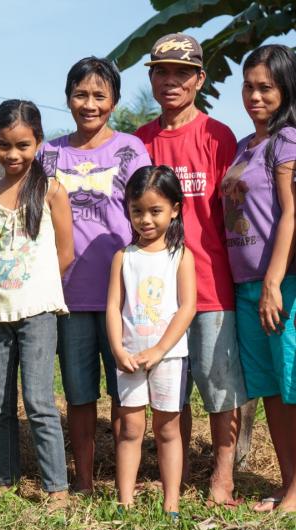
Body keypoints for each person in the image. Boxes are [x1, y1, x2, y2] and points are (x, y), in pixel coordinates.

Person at [135, 33, 249, 506]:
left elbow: (237, 211)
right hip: (153, 289)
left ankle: (222, 476)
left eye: (182, 72)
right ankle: (173, 479)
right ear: (151, 78)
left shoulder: (217, 137)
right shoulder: (139, 141)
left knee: (216, 381)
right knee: (170, 391)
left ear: (200, 79)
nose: (171, 81)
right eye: (162, 71)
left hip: (209, 283)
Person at [0, 99, 75, 508]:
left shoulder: (52, 191)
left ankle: (55, 486)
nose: (13, 154)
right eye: (4, 145)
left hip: (39, 311)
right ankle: (4, 479)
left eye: (23, 145)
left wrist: (38, 286)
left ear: (38, 143)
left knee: (39, 401)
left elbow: (66, 251)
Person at [40, 57, 151, 494]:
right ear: (68, 98)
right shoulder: (49, 153)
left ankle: (125, 483)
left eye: (99, 96)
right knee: (79, 394)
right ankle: (83, 481)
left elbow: (147, 212)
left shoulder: (130, 149)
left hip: (122, 296)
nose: (89, 104)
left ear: (115, 101)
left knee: (125, 394)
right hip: (67, 294)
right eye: (81, 94)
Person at [220, 45, 296, 513]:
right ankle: (288, 485)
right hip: (245, 287)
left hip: (281, 284)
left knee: (292, 384)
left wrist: (273, 281)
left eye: (265, 86)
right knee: (269, 389)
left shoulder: (288, 139)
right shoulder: (245, 146)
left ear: (286, 88)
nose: (254, 95)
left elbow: (291, 214)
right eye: (248, 86)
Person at [107, 165, 196, 516]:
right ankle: (124, 502)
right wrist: (117, 348)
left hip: (169, 358)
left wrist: (160, 349)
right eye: (137, 211)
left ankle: (171, 503)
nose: (145, 220)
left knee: (167, 428)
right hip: (129, 356)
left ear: (175, 209)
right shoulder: (123, 258)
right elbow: (113, 307)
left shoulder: (180, 256)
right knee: (130, 427)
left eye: (155, 211)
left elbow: (187, 307)